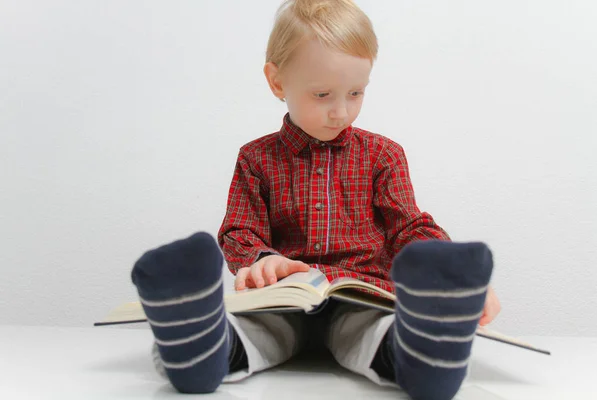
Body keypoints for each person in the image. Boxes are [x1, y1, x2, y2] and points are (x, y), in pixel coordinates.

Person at [131, 1, 501, 399]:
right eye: (322, 94)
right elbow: (241, 230)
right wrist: (262, 262)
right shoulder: (256, 158)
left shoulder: (383, 155)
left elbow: (408, 227)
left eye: (356, 92)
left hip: (360, 294)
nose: (341, 111)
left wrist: (441, 268)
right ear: (277, 82)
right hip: (285, 296)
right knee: (259, 329)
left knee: (369, 330)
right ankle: (199, 350)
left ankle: (429, 356)